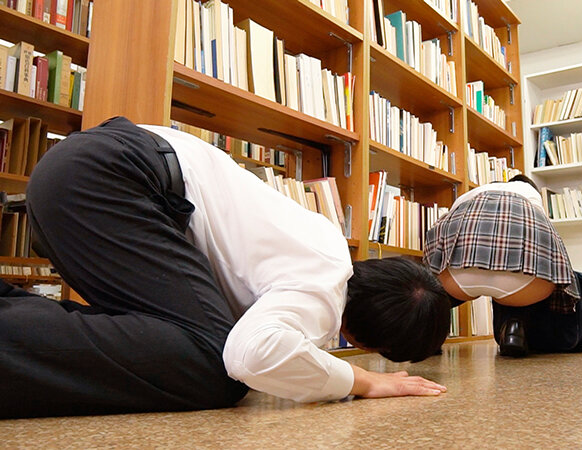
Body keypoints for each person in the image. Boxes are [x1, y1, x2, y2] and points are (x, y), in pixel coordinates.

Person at [0, 116, 450, 419]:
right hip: (112, 177)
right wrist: (361, 380)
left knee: (170, 340)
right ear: (370, 341)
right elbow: (251, 356)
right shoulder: (324, 285)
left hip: (92, 166)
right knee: (212, 372)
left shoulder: (320, 243)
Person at [424, 174, 582, 357]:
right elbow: (544, 245)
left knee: (442, 290)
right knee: (528, 268)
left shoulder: (471, 195)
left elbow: (440, 233)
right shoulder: (530, 194)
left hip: (456, 279)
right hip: (517, 285)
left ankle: (430, 337)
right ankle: (514, 329)